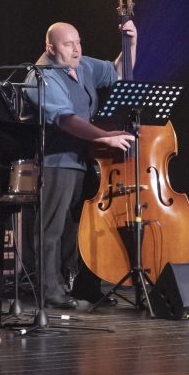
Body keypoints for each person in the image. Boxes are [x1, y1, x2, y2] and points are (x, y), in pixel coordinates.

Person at [22, 20, 137, 310]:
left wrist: (131, 42)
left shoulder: (82, 64)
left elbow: (117, 72)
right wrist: (104, 137)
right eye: (68, 44)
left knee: (79, 228)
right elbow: (65, 119)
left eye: (78, 42)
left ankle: (80, 287)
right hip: (55, 161)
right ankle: (51, 292)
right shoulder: (41, 76)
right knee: (51, 229)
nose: (76, 50)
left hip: (84, 159)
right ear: (50, 48)